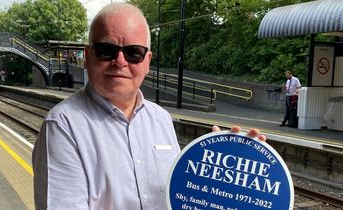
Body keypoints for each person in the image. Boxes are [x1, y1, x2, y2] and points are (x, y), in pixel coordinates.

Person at [32, 3, 266, 210]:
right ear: (88, 56)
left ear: (147, 62)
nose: (120, 61)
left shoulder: (161, 119)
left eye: (134, 53)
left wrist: (217, 166)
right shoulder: (63, 125)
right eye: (107, 51)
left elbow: (180, 199)